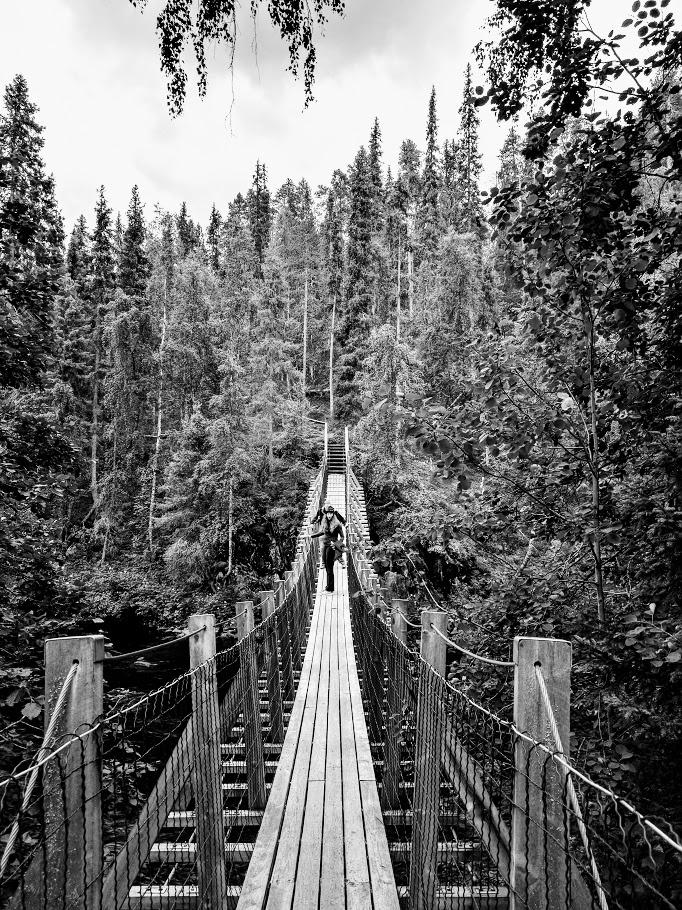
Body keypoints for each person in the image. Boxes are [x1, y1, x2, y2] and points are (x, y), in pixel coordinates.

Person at [308, 502, 346, 592]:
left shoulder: (337, 525)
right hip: (325, 545)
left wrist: (336, 544)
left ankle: (330, 588)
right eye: (328, 513)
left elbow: (342, 537)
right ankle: (328, 586)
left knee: (329, 567)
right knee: (327, 567)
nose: (329, 515)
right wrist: (312, 536)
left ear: (333, 514)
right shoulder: (325, 521)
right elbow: (322, 532)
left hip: (331, 547)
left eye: (331, 513)